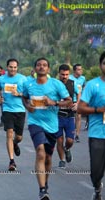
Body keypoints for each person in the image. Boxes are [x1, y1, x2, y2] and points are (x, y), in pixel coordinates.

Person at [22, 58, 72, 200]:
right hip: (35, 122)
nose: (41, 67)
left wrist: (54, 102)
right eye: (39, 65)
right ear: (35, 68)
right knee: (40, 152)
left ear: (48, 69)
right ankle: (42, 189)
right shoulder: (28, 84)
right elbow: (24, 97)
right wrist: (27, 106)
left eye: (44, 65)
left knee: (49, 157)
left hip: (52, 125)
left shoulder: (56, 84)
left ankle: (45, 182)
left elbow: (69, 101)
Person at [77, 52, 105, 200]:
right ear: (100, 65)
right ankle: (97, 187)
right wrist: (97, 110)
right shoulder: (93, 85)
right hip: (98, 134)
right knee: (96, 170)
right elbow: (80, 108)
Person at [0, 59, 27, 171]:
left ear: (17, 68)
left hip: (20, 110)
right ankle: (12, 161)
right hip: (7, 109)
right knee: (9, 133)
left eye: (15, 67)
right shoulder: (1, 79)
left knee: (19, 137)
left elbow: (28, 93)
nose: (13, 69)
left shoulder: (23, 79)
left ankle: (15, 143)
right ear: (7, 67)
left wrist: (18, 94)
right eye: (10, 67)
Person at [56, 64, 79, 168]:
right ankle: (62, 160)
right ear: (58, 74)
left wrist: (77, 104)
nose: (64, 76)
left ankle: (67, 148)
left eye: (66, 74)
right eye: (62, 74)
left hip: (70, 116)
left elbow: (79, 94)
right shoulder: (54, 84)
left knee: (70, 140)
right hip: (57, 116)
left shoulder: (73, 83)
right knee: (59, 139)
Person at [69, 63, 86, 142]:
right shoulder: (69, 78)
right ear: (74, 71)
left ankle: (77, 135)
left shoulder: (83, 78)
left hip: (79, 100)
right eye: (79, 69)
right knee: (71, 118)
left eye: (81, 69)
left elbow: (84, 88)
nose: (81, 71)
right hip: (70, 100)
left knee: (78, 117)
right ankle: (71, 133)